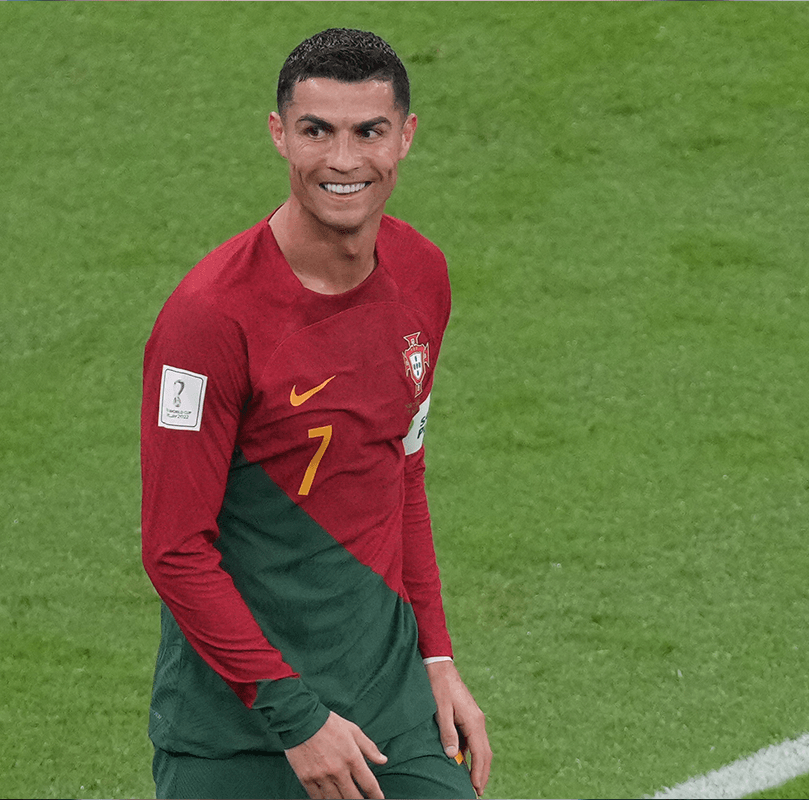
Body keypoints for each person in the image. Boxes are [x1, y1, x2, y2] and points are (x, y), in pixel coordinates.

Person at [140, 28, 491, 800]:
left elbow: (403, 470)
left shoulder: (423, 276)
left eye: (367, 131)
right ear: (279, 136)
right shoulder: (206, 322)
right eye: (316, 132)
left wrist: (436, 657)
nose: (342, 161)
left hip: (392, 713)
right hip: (239, 734)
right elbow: (175, 550)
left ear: (405, 137)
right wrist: (297, 719)